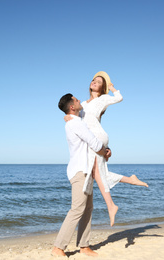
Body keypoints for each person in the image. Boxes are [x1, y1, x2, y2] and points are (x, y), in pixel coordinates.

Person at [65, 71, 148, 227]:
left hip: (96, 136)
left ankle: (111, 205)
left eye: (99, 82)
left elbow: (119, 98)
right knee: (98, 172)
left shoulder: (103, 99)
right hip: (93, 138)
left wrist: (112, 87)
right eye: (93, 80)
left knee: (97, 172)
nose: (94, 82)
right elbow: (76, 115)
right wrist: (66, 116)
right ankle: (129, 181)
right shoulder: (83, 103)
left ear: (102, 87)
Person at [52, 93, 110, 257]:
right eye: (77, 100)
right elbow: (95, 143)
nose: (80, 101)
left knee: (87, 209)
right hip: (80, 171)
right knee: (77, 209)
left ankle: (84, 246)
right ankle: (58, 247)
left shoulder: (76, 120)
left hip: (87, 170)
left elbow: (92, 117)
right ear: (72, 107)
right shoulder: (75, 124)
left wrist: (105, 149)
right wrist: (105, 150)